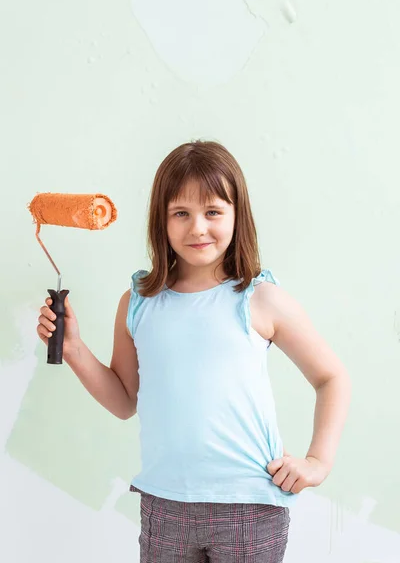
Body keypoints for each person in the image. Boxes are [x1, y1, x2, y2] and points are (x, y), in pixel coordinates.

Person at [37, 140, 351, 562]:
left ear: (237, 216)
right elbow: (124, 400)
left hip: (249, 506)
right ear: (161, 221)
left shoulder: (260, 299)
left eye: (213, 212)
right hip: (164, 506)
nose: (197, 228)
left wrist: (317, 461)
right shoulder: (137, 303)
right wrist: (73, 349)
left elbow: (331, 378)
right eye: (181, 213)